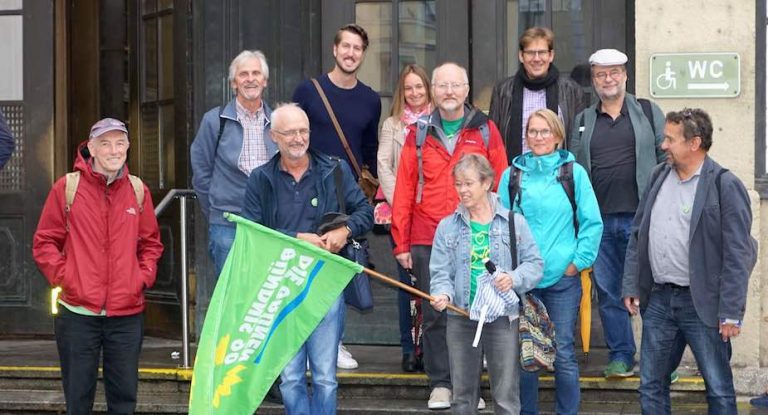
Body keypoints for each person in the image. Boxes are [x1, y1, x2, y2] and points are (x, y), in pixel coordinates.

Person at [241, 103, 373, 415]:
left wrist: (345, 230)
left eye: (304, 131)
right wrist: (295, 238)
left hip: (324, 285)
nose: (299, 138)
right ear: (274, 136)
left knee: (326, 378)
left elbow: (365, 212)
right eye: (290, 132)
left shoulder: (334, 169)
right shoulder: (261, 179)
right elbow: (251, 234)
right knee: (289, 378)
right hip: (281, 289)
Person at [622, 108, 757, 414]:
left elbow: (739, 254)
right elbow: (638, 234)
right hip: (658, 299)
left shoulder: (725, 185)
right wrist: (631, 283)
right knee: (651, 385)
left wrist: (731, 312)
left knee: (719, 390)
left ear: (694, 143)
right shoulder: (659, 175)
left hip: (703, 304)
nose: (663, 145)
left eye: (670, 139)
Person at [391, 62, 508, 409]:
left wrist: (500, 232)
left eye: (456, 85)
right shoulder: (420, 132)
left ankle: (469, 386)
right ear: (434, 91)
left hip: (477, 233)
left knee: (477, 310)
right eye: (442, 86)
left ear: (467, 89)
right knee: (437, 312)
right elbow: (405, 188)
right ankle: (441, 382)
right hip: (428, 235)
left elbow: (499, 180)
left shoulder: (485, 130)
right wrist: (401, 242)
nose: (449, 92)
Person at [32, 118, 164, 415]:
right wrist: (66, 278)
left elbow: (151, 244)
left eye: (120, 143)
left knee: (124, 399)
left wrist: (140, 278)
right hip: (78, 312)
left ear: (128, 147)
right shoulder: (67, 187)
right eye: (105, 143)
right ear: (91, 148)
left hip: (127, 314)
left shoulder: (137, 190)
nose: (113, 150)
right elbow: (45, 242)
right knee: (78, 399)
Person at [498, 109, 603, 415]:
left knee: (565, 353)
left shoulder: (573, 173)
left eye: (545, 132)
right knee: (526, 354)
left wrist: (577, 263)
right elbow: (500, 225)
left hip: (563, 279)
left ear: (557, 137)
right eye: (533, 131)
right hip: (523, 281)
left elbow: (592, 223)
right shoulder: (512, 175)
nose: (538, 137)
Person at [570, 48, 666, 379]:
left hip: (641, 218)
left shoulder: (648, 112)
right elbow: (573, 172)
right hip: (598, 221)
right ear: (593, 80)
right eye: (600, 74)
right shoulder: (582, 121)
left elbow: (665, 159)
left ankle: (659, 363)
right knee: (610, 291)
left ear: (625, 75)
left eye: (614, 73)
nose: (607, 79)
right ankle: (621, 356)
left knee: (650, 290)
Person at [292, 23, 381, 369]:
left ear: (363, 54)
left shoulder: (371, 99)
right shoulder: (309, 91)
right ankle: (302, 341)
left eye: (357, 48)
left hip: (346, 198)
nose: (350, 53)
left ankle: (335, 342)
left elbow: (370, 149)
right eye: (345, 46)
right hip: (307, 190)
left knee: (341, 269)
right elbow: (293, 136)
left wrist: (370, 195)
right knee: (307, 268)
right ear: (334, 49)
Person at [430, 153, 543, 415]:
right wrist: (442, 294)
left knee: (505, 397)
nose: (462, 190)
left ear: (486, 183)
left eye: (468, 183)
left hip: (502, 319)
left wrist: (513, 278)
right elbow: (440, 272)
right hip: (461, 315)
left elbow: (535, 264)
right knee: (462, 398)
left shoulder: (514, 223)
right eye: (458, 184)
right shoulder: (447, 227)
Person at [377, 63, 432, 372]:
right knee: (406, 286)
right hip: (404, 214)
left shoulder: (441, 121)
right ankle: (409, 348)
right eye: (408, 87)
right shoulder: (392, 125)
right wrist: (403, 203)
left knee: (433, 285)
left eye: (419, 87)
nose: (414, 93)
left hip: (435, 214)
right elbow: (383, 165)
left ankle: (431, 347)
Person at [489, 26, 584, 163]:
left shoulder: (571, 90)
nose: (537, 58)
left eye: (542, 52)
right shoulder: (503, 91)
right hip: (515, 175)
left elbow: (578, 141)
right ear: (521, 56)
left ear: (551, 55)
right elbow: (494, 141)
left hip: (559, 176)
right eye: (531, 53)